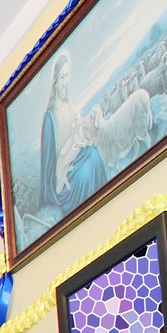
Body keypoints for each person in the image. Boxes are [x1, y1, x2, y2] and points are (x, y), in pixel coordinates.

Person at [38, 52, 109, 222]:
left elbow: (77, 126)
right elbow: (50, 166)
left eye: (67, 76)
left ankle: (108, 200)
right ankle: (92, 217)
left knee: (94, 153)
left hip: (75, 156)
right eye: (62, 77)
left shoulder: (68, 102)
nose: (65, 82)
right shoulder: (50, 118)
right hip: (62, 173)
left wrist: (92, 116)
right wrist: (64, 162)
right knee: (86, 171)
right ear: (55, 81)